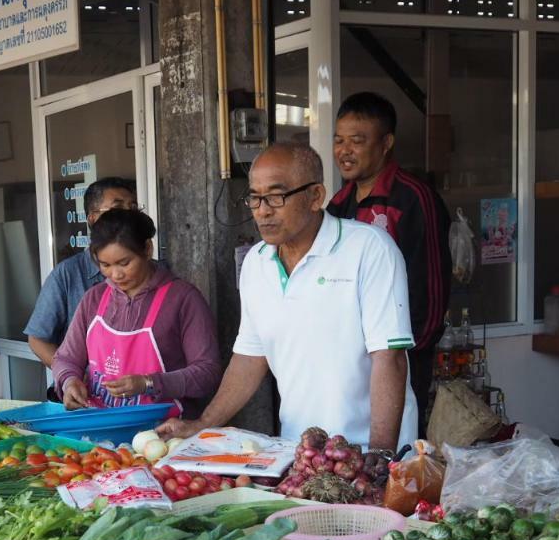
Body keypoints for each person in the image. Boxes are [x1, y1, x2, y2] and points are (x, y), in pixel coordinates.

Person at [158, 142, 417, 453]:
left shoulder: (368, 249)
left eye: (276, 196)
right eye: (254, 198)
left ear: (315, 197)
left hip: (367, 449)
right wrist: (202, 425)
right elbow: (250, 358)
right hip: (300, 451)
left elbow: (389, 356)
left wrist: (380, 455)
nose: (263, 210)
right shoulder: (257, 262)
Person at [327, 91, 452, 433]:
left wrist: (413, 354)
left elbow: (433, 284)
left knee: (400, 439)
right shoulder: (338, 205)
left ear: (386, 143)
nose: (344, 150)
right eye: (339, 140)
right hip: (352, 357)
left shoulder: (413, 198)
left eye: (357, 140)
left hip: (402, 353)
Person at [51, 209, 221, 417]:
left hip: (163, 434)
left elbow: (207, 373)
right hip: (101, 430)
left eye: (125, 263)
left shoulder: (183, 298)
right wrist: (69, 381)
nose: (116, 274)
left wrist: (149, 383)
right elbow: (66, 359)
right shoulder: (94, 299)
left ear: (147, 249)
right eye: (105, 265)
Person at [24, 178, 139, 395]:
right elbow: (37, 339)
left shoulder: (158, 276)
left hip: (136, 396)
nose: (128, 215)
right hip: (85, 396)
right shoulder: (67, 274)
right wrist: (72, 376)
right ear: (93, 219)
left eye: (132, 207)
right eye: (117, 208)